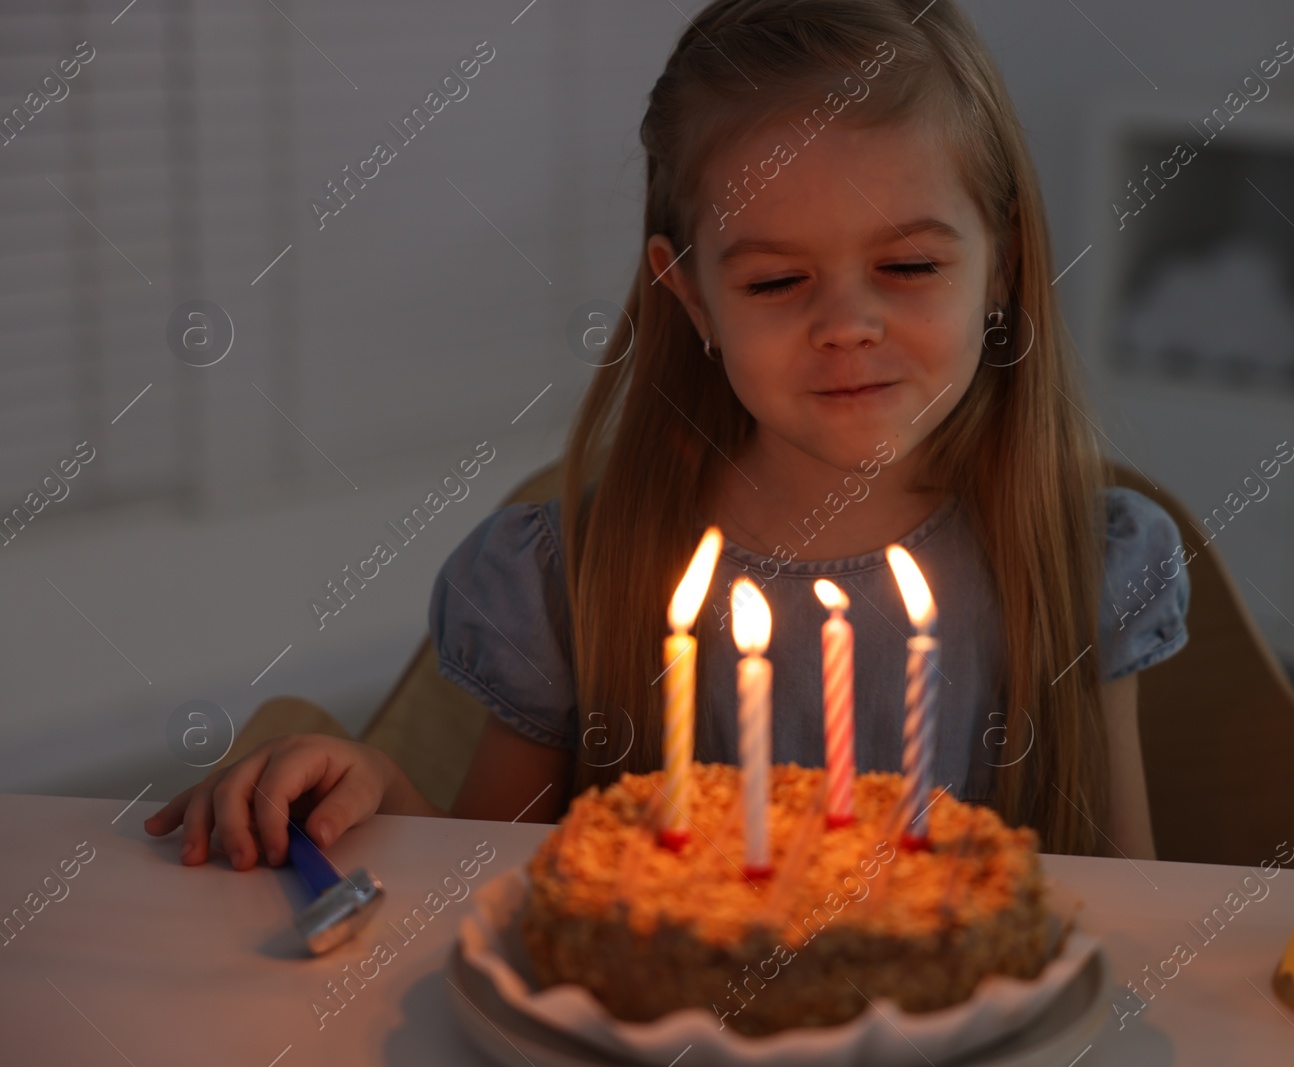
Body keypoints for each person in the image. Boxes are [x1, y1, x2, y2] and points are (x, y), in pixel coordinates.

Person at [145, 0, 1189, 871]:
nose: (846, 323)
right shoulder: (581, 580)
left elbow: (1137, 918)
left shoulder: (1079, 564)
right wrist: (371, 791)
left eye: (909, 267)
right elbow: (484, 885)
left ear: (1002, 264)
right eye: (776, 280)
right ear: (688, 294)